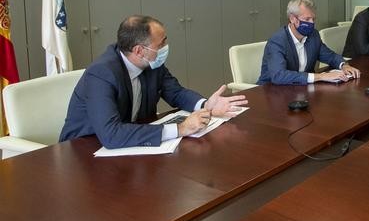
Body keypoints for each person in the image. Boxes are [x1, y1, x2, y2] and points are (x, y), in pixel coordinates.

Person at [60, 15, 248, 149]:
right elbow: (111, 135)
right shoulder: (101, 74)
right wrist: (181, 128)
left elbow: (176, 92)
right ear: (139, 51)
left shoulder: (151, 63)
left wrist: (206, 104)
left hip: (131, 144)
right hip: (85, 151)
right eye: (161, 44)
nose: (166, 48)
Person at [258, 0, 361, 85]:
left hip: (299, 90)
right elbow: (279, 76)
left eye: (313, 19)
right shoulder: (277, 41)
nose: (312, 23)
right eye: (307, 19)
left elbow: (330, 56)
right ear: (293, 19)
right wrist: (321, 76)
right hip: (270, 91)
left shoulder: (313, 35)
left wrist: (344, 65)